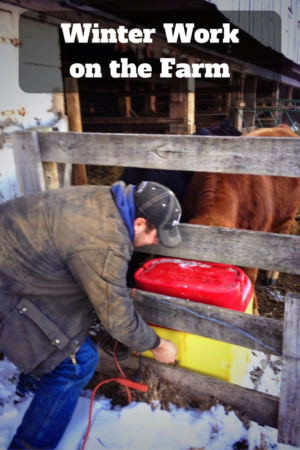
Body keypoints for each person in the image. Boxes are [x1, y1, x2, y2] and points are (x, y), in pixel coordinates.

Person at [0, 180, 181, 449]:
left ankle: (30, 380)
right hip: (9, 282)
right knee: (77, 363)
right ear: (140, 222)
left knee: (69, 329)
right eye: (157, 235)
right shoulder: (106, 242)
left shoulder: (103, 197)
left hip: (19, 263)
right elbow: (117, 318)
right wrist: (157, 344)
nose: (156, 243)